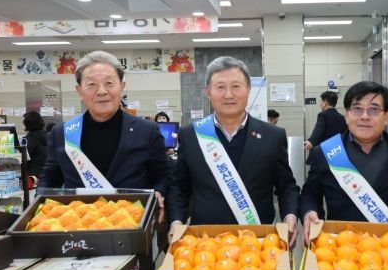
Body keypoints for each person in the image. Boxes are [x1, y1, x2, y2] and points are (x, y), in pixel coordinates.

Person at [168, 56, 300, 245]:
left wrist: (290, 216)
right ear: (208, 92)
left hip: (258, 242)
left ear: (248, 89)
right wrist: (176, 221)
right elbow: (179, 187)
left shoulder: (273, 136)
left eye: (236, 86)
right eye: (220, 87)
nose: (228, 95)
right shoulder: (190, 135)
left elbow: (286, 186)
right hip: (205, 243)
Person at [38, 50, 171, 222]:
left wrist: (159, 192)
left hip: (131, 223)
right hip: (79, 225)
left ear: (122, 87)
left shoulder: (147, 131)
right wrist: (39, 205)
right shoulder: (62, 133)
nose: (101, 91)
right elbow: (49, 178)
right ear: (79, 90)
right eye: (91, 84)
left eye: (109, 83)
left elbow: (164, 175)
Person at [300, 81, 388, 245]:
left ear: (387, 116)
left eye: (374, 109)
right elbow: (310, 195)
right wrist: (309, 212)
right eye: (357, 109)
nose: (364, 116)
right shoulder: (326, 152)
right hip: (341, 249)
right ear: (347, 115)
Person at [23, 111, 48, 178]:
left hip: (33, 176)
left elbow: (24, 158)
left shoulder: (30, 139)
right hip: (47, 174)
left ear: (27, 124)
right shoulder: (48, 135)